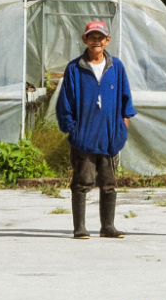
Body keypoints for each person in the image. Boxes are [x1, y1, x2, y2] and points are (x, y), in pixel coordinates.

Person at [54, 20, 136, 239]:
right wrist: (73, 131)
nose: (96, 41)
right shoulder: (74, 68)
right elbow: (65, 103)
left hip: (110, 137)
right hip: (84, 137)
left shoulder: (116, 67)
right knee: (82, 182)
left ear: (107, 41)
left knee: (109, 184)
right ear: (85, 40)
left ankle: (107, 226)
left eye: (101, 37)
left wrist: (121, 130)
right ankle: (79, 227)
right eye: (92, 37)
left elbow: (126, 100)